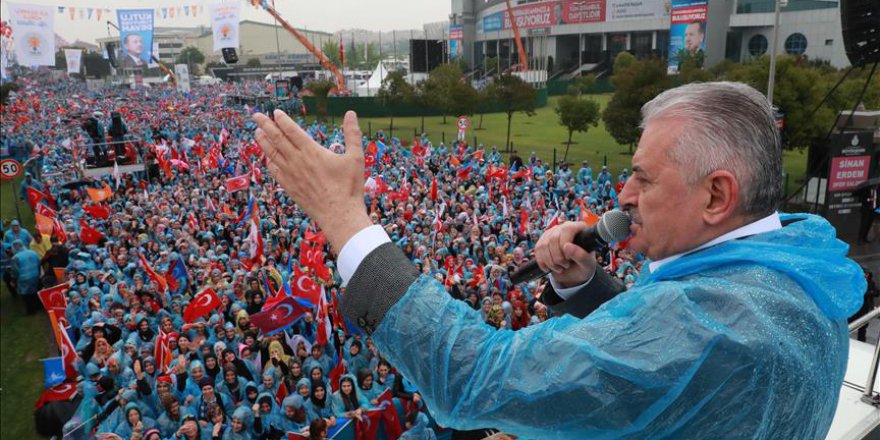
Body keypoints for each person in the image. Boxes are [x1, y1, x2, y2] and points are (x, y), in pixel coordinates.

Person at [254, 82, 866, 438]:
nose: (623, 196)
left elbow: (474, 376)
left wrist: (344, 220)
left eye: (642, 177)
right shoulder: (794, 277)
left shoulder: (715, 329)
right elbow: (674, 361)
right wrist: (588, 288)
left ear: (716, 195)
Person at [11, 239, 42, 314]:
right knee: (35, 292)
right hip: (35, 275)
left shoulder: (15, 258)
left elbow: (16, 272)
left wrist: (14, 280)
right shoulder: (33, 252)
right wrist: (38, 274)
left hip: (24, 278)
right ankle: (39, 306)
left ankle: (31, 311)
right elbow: (39, 263)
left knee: (26, 295)